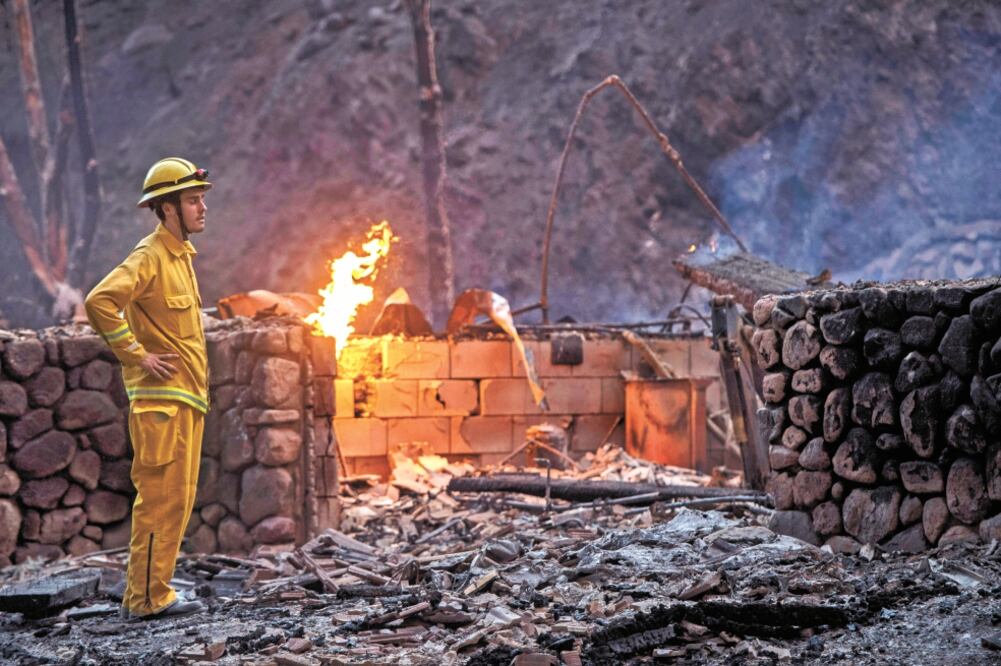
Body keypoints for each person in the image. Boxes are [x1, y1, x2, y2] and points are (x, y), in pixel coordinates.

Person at [84, 157, 212, 619]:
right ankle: (144, 600)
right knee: (160, 502)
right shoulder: (150, 256)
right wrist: (137, 356)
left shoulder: (179, 257)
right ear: (167, 208)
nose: (202, 208)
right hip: (162, 404)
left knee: (176, 502)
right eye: (193, 200)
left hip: (184, 400)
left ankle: (155, 591)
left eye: (201, 200)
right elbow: (100, 302)